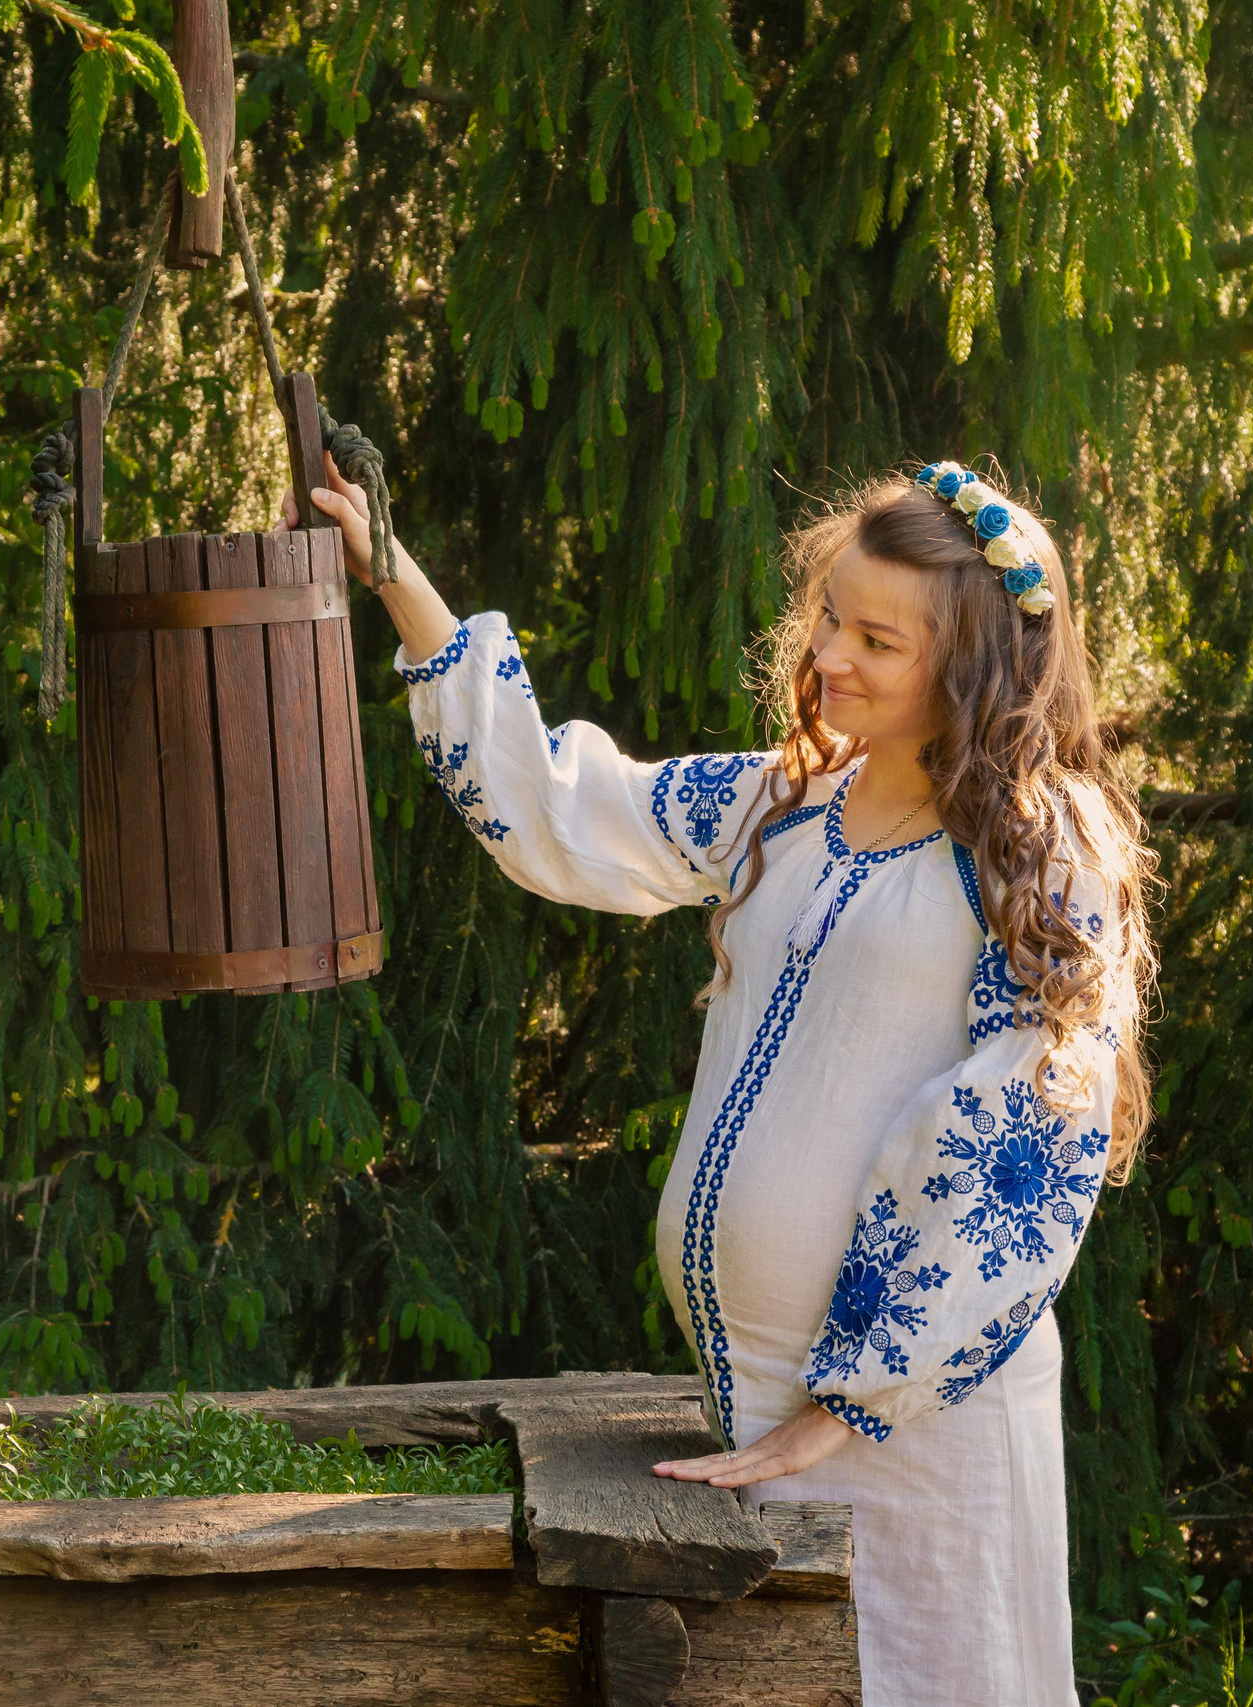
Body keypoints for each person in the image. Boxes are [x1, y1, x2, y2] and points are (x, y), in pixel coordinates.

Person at [288, 457, 1156, 1707]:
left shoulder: (1038, 845)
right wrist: (398, 578)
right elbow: (559, 809)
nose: (831, 655)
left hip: (922, 1432)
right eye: (830, 617)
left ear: (970, 668)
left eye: (878, 639)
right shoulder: (781, 803)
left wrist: (854, 1404)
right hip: (760, 1409)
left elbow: (1032, 1129)